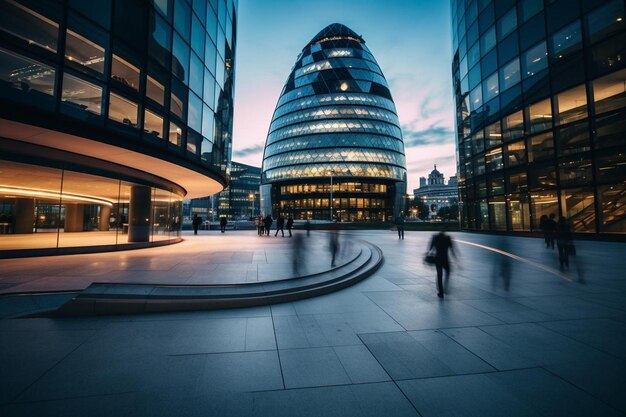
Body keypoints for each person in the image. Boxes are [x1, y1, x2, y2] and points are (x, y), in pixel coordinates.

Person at [428, 230, 456, 298]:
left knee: (439, 274)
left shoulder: (435, 237)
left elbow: (430, 248)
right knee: (448, 272)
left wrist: (428, 253)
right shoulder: (447, 238)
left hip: (438, 259)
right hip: (445, 259)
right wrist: (456, 259)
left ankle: (441, 292)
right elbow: (452, 250)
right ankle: (445, 287)